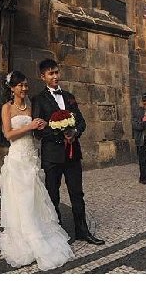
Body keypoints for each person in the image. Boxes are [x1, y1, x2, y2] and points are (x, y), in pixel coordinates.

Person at [0, 71, 74, 270]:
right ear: (12, 88)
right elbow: (8, 134)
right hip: (17, 158)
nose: (24, 88)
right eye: (20, 85)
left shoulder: (31, 106)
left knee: (34, 197)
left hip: (31, 157)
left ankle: (40, 232)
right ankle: (25, 237)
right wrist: (29, 125)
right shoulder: (7, 108)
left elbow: (38, 130)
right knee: (21, 199)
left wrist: (46, 124)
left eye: (26, 85)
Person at [31, 59, 104, 245]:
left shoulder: (69, 96)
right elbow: (37, 130)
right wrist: (59, 132)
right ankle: (57, 234)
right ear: (43, 77)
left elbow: (81, 121)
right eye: (50, 74)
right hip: (52, 156)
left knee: (77, 194)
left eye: (56, 72)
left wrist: (75, 132)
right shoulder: (38, 100)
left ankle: (82, 231)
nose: (55, 76)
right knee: (53, 194)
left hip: (73, 154)